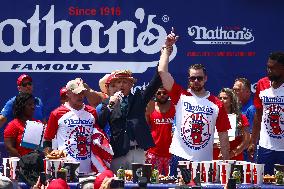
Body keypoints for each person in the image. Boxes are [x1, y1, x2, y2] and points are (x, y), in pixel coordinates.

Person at [158, 28, 230, 164]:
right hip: (179, 157)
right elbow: (162, 71)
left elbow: (223, 135)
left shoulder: (217, 103)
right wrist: (167, 47)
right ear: (189, 79)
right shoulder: (179, 95)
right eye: (192, 78)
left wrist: (226, 165)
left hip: (204, 162)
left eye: (199, 78)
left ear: (206, 79)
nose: (196, 81)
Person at [43, 78, 113, 174]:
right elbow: (47, 140)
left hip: (89, 169)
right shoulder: (57, 114)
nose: (80, 96)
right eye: (77, 93)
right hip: (65, 168)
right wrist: (50, 155)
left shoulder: (92, 112)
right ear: (68, 93)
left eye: (82, 93)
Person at [98, 68, 162, 172]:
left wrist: (164, 57)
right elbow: (100, 123)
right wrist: (111, 105)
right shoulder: (107, 102)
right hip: (118, 152)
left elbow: (155, 83)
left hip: (138, 152)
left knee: (140, 183)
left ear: (131, 84)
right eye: (119, 82)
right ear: (115, 85)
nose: (122, 85)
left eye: (125, 82)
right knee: (117, 184)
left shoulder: (139, 98)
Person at [248, 52, 284, 175]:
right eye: (267, 67)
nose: (268, 70)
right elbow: (258, 115)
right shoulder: (261, 84)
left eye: (272, 68)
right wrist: (253, 141)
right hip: (265, 148)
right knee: (263, 183)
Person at [0, 74, 45, 141]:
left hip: (36, 142)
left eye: (29, 84)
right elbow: (1, 119)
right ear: (19, 88)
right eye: (24, 84)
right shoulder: (13, 101)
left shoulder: (38, 101)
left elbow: (43, 121)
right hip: (19, 142)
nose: (28, 86)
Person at [145, 86, 175, 176]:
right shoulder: (150, 108)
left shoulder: (176, 107)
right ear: (155, 94)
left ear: (168, 93)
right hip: (153, 153)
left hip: (172, 154)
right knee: (153, 182)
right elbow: (144, 128)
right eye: (159, 93)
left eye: (164, 93)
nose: (162, 95)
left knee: (172, 183)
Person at [214, 88, 250, 160]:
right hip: (214, 157)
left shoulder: (241, 118)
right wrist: (213, 145)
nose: (221, 100)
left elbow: (246, 141)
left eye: (225, 98)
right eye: (220, 98)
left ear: (231, 101)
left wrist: (230, 154)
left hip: (234, 159)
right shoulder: (213, 117)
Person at [4, 92, 36, 157]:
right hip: (20, 165)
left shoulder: (38, 123)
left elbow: (44, 147)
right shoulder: (12, 125)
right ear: (21, 106)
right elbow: (9, 148)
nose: (33, 107)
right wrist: (25, 160)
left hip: (38, 164)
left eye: (33, 104)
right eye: (29, 104)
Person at [233, 77, 256, 161]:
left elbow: (252, 136)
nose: (234, 92)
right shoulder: (236, 108)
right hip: (237, 151)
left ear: (247, 92)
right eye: (234, 90)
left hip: (246, 154)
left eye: (237, 90)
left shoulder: (252, 109)